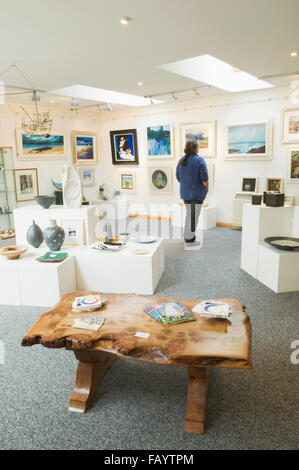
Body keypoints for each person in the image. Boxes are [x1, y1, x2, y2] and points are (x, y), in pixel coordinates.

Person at [176, 140, 209, 250]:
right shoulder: (199, 160)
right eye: (198, 147)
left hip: (185, 194)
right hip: (196, 194)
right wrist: (206, 190)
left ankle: (188, 236)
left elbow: (178, 177)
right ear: (195, 148)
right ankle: (189, 240)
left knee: (190, 215)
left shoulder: (181, 161)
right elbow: (205, 179)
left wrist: (187, 184)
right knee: (193, 217)